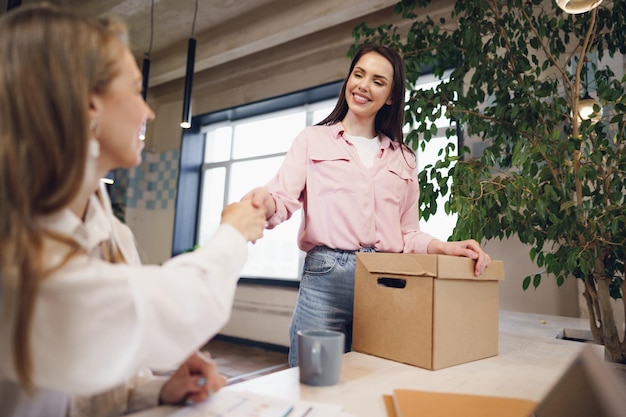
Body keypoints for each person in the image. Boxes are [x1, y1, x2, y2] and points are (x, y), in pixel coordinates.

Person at [0, 3, 266, 417]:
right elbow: (174, 308)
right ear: (89, 104)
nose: (148, 111)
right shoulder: (17, 259)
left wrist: (156, 391)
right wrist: (234, 232)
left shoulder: (110, 233)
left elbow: (87, 379)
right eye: (136, 89)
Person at [242, 43, 492, 367]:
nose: (363, 85)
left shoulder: (404, 158)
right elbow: (283, 198)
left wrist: (445, 248)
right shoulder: (312, 140)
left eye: (377, 80)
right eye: (358, 74)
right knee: (313, 377)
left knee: (375, 377)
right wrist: (264, 201)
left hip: (384, 278)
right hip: (325, 276)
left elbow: (407, 233)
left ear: (390, 96)